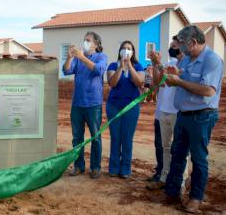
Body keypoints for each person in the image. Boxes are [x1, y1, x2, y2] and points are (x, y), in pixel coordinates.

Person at [164, 25, 223, 214]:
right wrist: (173, 75)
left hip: (202, 116)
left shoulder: (212, 60)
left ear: (194, 42)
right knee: (178, 154)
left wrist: (179, 81)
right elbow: (174, 79)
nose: (180, 48)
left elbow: (208, 91)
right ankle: (172, 193)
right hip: (183, 115)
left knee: (198, 159)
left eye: (182, 44)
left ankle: (196, 198)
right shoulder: (186, 59)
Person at [62, 31, 107, 179]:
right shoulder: (77, 59)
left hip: (93, 104)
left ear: (96, 44)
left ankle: (95, 167)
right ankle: (78, 166)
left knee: (95, 137)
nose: (85, 43)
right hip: (77, 104)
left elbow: (98, 70)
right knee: (77, 137)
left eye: (88, 40)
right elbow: (66, 70)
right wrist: (69, 57)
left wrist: (81, 57)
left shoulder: (101, 57)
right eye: (84, 40)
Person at [147, 37, 189, 191]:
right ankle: (164, 177)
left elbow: (175, 82)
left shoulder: (188, 64)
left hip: (178, 112)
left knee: (180, 149)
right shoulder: (169, 63)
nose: (172, 48)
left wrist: (159, 64)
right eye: (171, 45)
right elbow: (159, 82)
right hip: (164, 111)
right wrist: (155, 63)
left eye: (175, 46)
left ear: (183, 47)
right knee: (165, 147)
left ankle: (181, 181)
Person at [106, 41, 145, 178]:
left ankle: (126, 169)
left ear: (133, 52)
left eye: (129, 49)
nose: (126, 51)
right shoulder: (112, 65)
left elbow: (139, 82)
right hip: (113, 106)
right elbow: (112, 83)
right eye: (124, 48)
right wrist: (121, 67)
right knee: (115, 137)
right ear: (120, 51)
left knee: (127, 138)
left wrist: (130, 66)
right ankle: (114, 168)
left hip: (131, 107)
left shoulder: (139, 66)